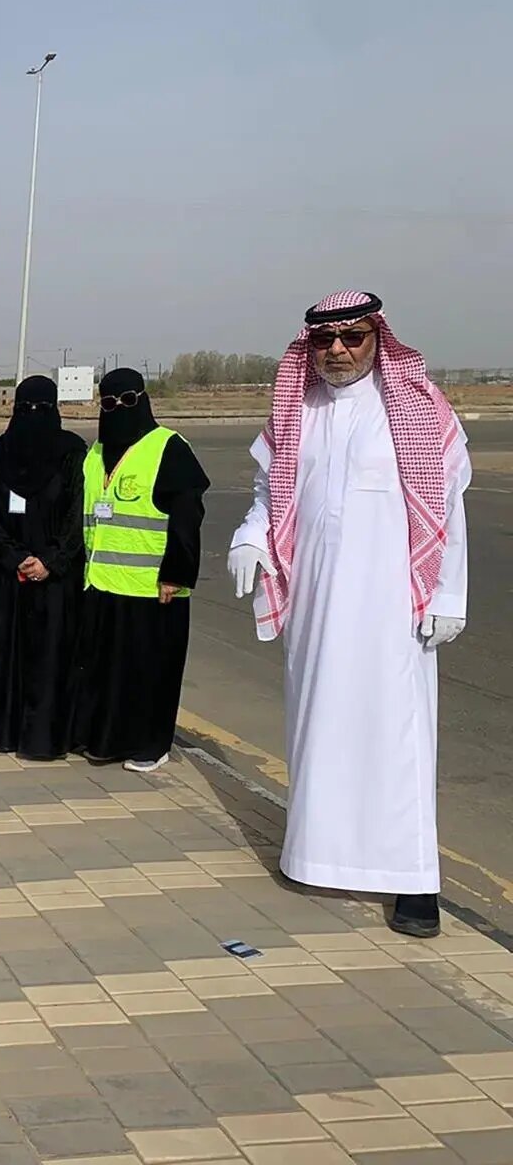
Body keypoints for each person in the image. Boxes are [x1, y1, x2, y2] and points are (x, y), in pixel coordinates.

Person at [228, 292, 469, 938]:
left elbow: (447, 510)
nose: (337, 350)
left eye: (353, 337)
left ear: (377, 339)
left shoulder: (417, 410)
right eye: (324, 340)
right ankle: (320, 855)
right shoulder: (297, 411)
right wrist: (251, 536)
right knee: (321, 728)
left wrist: (448, 594)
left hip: (392, 605)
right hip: (316, 603)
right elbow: (270, 493)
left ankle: (415, 882)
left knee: (398, 738)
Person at [71, 368, 209, 773]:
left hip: (152, 589)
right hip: (102, 584)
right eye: (109, 403)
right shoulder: (96, 453)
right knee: (105, 672)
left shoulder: (168, 447)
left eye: (128, 400)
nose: (118, 408)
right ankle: (105, 740)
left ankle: (151, 745)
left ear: (144, 400)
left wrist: (176, 574)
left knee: (149, 674)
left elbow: (187, 517)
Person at [0, 375, 86, 759]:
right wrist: (16, 558)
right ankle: (3, 729)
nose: (33, 416)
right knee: (4, 653)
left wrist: (51, 560)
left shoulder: (73, 454)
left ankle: (45, 737)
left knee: (52, 656)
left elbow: (78, 514)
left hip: (55, 580)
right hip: (6, 577)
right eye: (26, 409)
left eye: (41, 409)